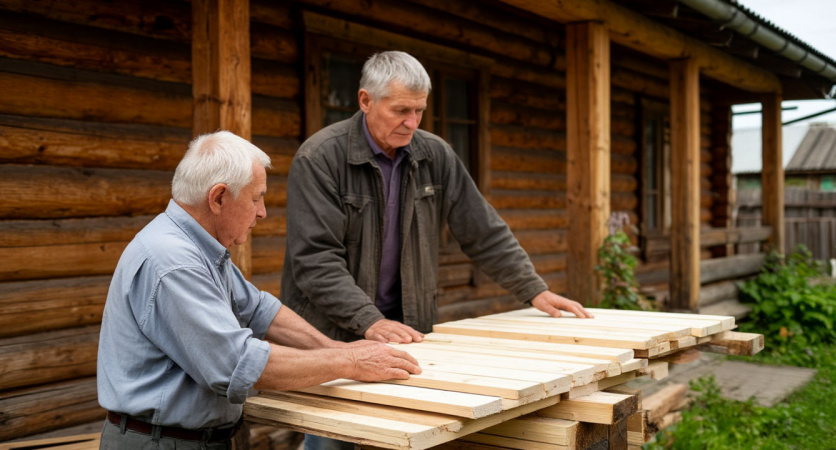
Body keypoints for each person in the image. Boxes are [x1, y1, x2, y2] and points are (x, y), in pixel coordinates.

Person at [281, 51, 593, 449]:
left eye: (419, 111)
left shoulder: (435, 154)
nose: (411, 123)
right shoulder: (320, 158)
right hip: (333, 335)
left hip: (407, 326)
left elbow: (482, 230)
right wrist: (368, 321)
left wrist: (535, 290)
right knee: (334, 439)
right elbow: (315, 261)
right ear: (365, 101)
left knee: (404, 436)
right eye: (401, 111)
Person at [96, 131, 420, 449]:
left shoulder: (200, 248)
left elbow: (259, 309)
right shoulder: (174, 262)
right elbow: (238, 363)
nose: (262, 211)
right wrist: (351, 363)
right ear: (219, 197)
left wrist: (334, 349)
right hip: (160, 443)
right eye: (255, 198)